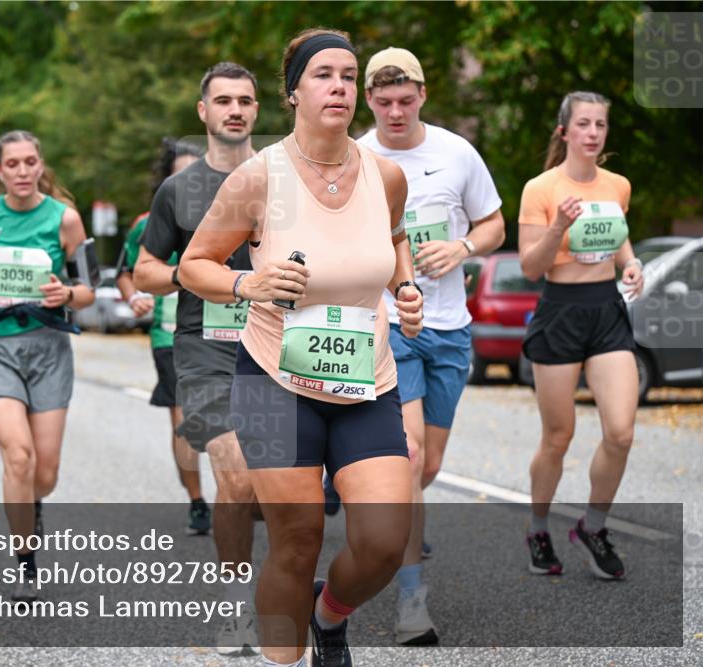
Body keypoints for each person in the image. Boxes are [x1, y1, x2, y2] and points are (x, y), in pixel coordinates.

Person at [180, 29, 424, 667]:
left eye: (349, 75)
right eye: (323, 74)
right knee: (296, 538)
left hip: (365, 379)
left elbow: (395, 238)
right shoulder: (259, 177)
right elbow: (193, 267)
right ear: (293, 93)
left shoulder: (386, 175)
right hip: (274, 379)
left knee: (383, 539)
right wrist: (247, 282)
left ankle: (328, 616)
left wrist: (405, 287)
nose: (339, 86)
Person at [356, 47, 506, 645]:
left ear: (422, 94)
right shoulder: (358, 156)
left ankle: (367, 503)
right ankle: (412, 602)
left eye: (405, 100)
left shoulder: (456, 152)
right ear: (370, 100)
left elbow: (494, 223)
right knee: (411, 459)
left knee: (431, 467)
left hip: (450, 327)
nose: (395, 111)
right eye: (384, 101)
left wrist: (461, 249)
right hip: (389, 326)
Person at [134, 62, 263, 656]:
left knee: (275, 488)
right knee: (233, 472)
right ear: (203, 111)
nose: (234, 109)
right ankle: (238, 607)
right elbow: (145, 270)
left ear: (258, 110)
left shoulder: (285, 179)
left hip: (281, 348)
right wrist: (194, 275)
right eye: (223, 100)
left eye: (245, 100)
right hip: (206, 349)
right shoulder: (178, 190)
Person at [0, 131, 95, 602]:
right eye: (12, 164)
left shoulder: (66, 219)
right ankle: (25, 564)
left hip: (49, 348)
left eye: (30, 162)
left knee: (44, 474)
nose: (23, 171)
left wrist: (68, 294)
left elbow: (90, 289)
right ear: (0, 171)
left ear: (40, 165)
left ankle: (31, 505)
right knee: (18, 456)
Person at [519, 91, 643, 580]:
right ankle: (538, 527)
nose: (593, 133)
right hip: (560, 313)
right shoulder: (542, 189)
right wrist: (560, 227)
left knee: (621, 431)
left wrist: (631, 265)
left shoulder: (618, 185)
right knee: (558, 436)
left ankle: (593, 526)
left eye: (600, 126)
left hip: (606, 310)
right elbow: (531, 267)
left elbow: (620, 239)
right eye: (584, 124)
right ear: (564, 131)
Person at [115, 137, 210, 536]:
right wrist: (135, 296)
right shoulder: (146, 222)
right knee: (185, 421)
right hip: (169, 335)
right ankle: (197, 502)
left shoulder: (229, 213)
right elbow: (126, 272)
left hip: (226, 334)